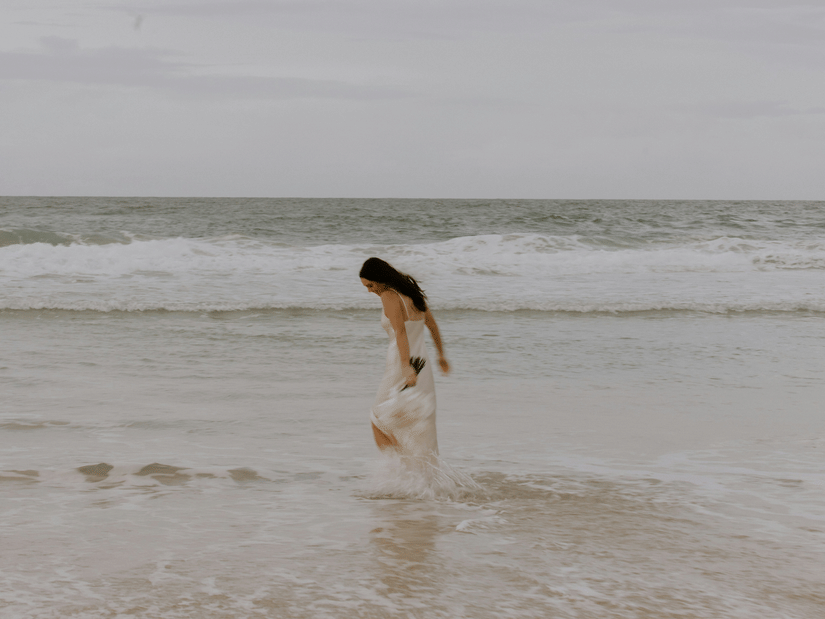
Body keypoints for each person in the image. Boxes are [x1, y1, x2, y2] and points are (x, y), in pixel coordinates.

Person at [360, 257, 449, 456]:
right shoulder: (412, 293)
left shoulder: (389, 296)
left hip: (403, 362)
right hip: (422, 362)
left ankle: (396, 470)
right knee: (413, 421)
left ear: (380, 279)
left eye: (370, 285)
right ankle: (410, 470)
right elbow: (432, 326)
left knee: (378, 418)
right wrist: (441, 356)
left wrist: (405, 366)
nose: (369, 290)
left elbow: (400, 333)